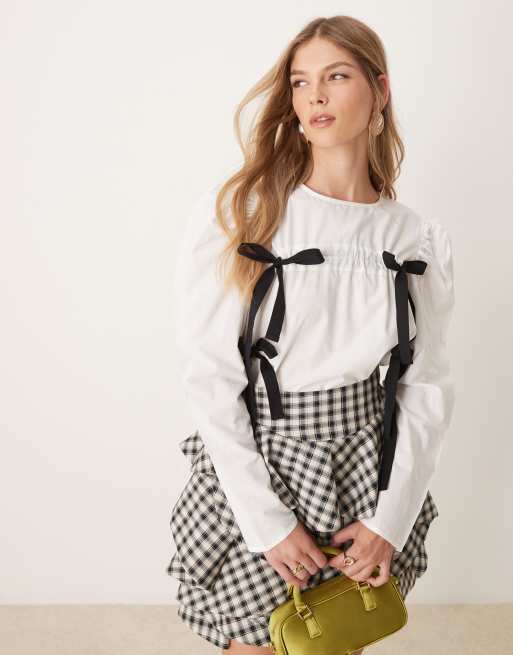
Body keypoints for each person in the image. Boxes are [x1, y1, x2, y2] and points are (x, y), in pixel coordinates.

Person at [166, 14, 455, 655]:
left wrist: (389, 518)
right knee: (260, 645)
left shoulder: (413, 238)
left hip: (364, 473)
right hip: (263, 466)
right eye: (300, 82)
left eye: (336, 76)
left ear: (379, 89)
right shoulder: (245, 213)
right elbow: (210, 377)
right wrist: (266, 521)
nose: (315, 95)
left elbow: (427, 386)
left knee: (336, 643)